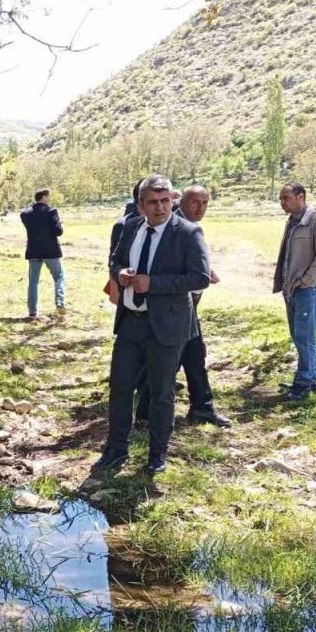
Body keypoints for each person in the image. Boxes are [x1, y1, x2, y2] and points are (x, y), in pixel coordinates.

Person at [93, 174, 211, 475]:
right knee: (120, 388)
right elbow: (114, 260)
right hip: (131, 322)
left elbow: (199, 277)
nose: (160, 208)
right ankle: (115, 450)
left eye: (165, 201)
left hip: (167, 325)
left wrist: (153, 284)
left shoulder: (188, 232)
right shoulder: (130, 227)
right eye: (153, 203)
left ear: (172, 200)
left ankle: (157, 455)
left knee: (161, 392)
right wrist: (120, 274)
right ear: (140, 205)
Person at [134, 185, 231, 427]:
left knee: (194, 356)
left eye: (205, 203)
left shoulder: (189, 228)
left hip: (186, 306)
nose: (200, 208)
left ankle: (201, 406)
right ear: (182, 202)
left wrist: (205, 269)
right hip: (167, 309)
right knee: (164, 362)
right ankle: (146, 414)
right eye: (195, 202)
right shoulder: (168, 225)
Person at [273, 181, 316, 401]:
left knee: (305, 336)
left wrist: (308, 281)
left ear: (301, 196)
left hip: (309, 288)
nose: (282, 203)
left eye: (286, 198)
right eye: (281, 199)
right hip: (293, 288)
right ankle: (309, 376)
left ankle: (304, 382)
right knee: (299, 336)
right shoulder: (292, 222)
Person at [20, 188, 65, 320]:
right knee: (59, 276)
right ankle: (60, 303)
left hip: (33, 250)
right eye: (48, 196)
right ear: (44, 197)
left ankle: (32, 312)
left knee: (33, 281)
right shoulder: (51, 211)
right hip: (50, 250)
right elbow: (58, 232)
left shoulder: (25, 214)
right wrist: (60, 225)